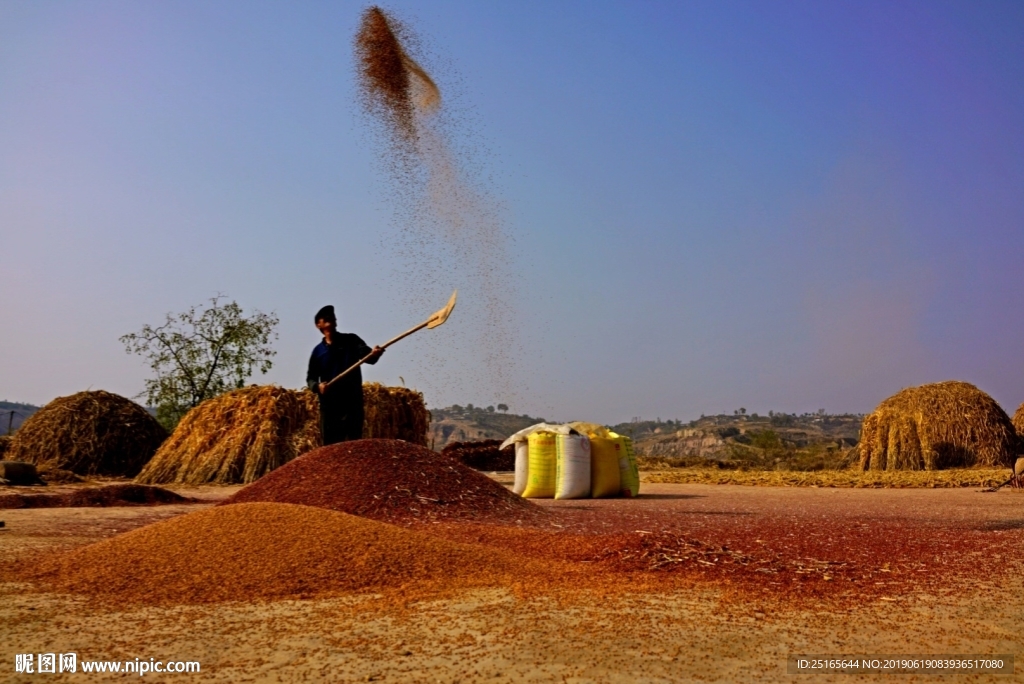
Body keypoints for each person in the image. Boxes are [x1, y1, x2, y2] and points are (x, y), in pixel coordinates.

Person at [306, 305, 384, 445]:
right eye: (326, 318)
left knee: (354, 445)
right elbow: (310, 378)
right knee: (331, 448)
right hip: (330, 406)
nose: (330, 319)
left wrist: (375, 353)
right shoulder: (317, 352)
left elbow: (370, 358)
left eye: (332, 317)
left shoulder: (351, 341)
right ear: (319, 324)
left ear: (336, 321)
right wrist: (318, 387)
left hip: (352, 403)